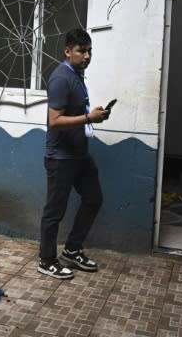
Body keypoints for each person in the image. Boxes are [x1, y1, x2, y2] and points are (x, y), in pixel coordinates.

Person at [37, 28, 111, 279]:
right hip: (61, 158)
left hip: (80, 155)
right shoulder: (61, 78)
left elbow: (74, 111)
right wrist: (89, 118)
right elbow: (55, 121)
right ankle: (46, 260)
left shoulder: (77, 75)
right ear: (68, 52)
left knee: (93, 199)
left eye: (90, 51)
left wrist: (92, 113)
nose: (87, 56)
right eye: (82, 51)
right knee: (54, 212)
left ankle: (71, 249)